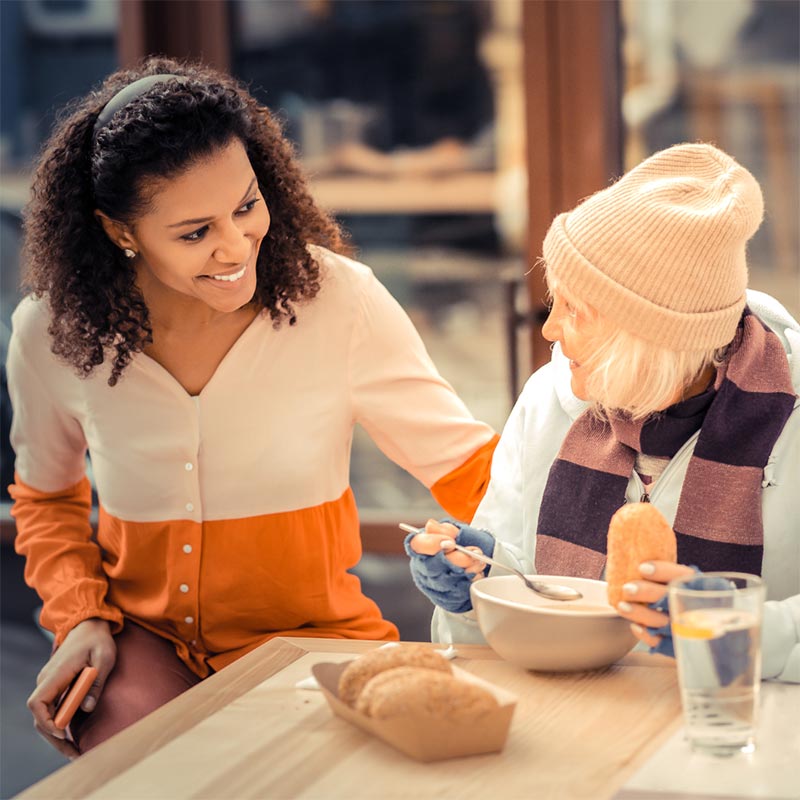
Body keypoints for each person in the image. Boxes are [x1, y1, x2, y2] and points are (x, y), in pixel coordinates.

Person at [7, 57, 499, 757]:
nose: (235, 246)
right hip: (142, 643)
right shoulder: (51, 333)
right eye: (193, 232)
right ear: (120, 232)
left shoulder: (339, 300)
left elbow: (470, 465)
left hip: (313, 642)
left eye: (245, 206)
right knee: (129, 760)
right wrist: (78, 616)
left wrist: (582, 550)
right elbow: (47, 499)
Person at [405, 142, 800, 683]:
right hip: (575, 724)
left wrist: (741, 629)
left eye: (575, 309)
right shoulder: (549, 395)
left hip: (742, 735)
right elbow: (537, 589)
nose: (549, 329)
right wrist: (482, 584)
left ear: (650, 338)